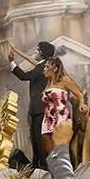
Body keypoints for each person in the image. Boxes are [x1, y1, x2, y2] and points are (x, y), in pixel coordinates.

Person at [9, 40, 56, 168]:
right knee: (38, 139)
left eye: (37, 50)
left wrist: (11, 62)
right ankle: (39, 164)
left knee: (39, 140)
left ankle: (42, 166)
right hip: (41, 109)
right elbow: (31, 59)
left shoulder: (42, 68)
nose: (35, 52)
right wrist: (16, 49)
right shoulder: (45, 65)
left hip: (40, 109)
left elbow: (24, 76)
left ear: (41, 52)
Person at [41, 57, 88, 167]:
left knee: (62, 150)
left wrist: (81, 104)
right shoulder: (48, 84)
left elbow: (79, 94)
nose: (44, 69)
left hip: (61, 118)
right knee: (51, 154)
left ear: (55, 68)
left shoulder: (64, 80)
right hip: (47, 120)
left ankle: (69, 174)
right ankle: (56, 176)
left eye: (47, 66)